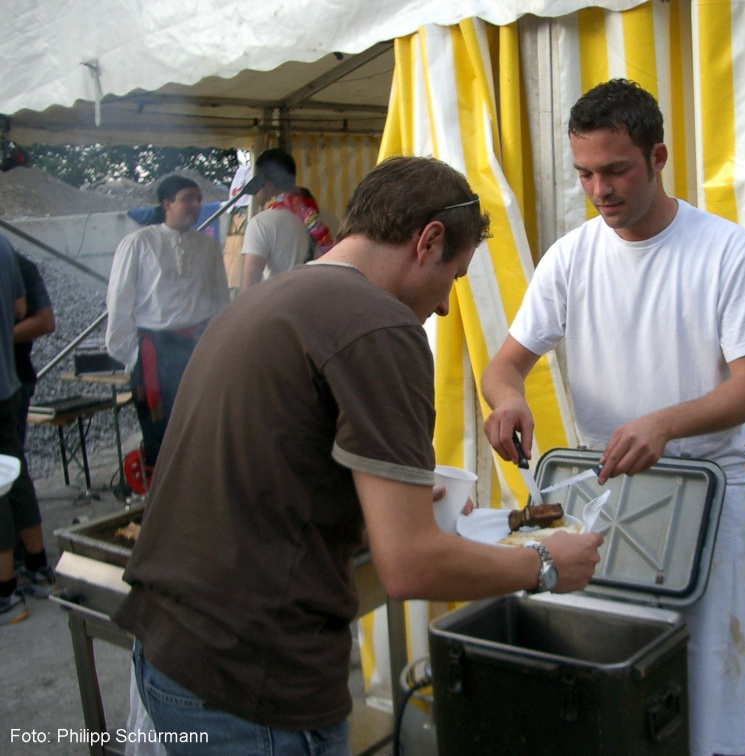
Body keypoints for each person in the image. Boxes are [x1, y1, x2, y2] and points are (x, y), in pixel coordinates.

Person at [113, 155, 604, 755]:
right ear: (428, 241)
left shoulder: (260, 301)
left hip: (168, 648)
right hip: (252, 679)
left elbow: (268, 475)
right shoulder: (379, 327)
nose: (444, 306)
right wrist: (546, 564)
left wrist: (383, 506)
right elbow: (409, 567)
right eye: (453, 277)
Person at [481, 79, 745, 756]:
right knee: (603, 667)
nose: (600, 190)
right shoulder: (571, 257)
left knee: (705, 670)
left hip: (704, 487)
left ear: (658, 157)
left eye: (616, 170)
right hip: (603, 490)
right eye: (585, 174)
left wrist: (665, 424)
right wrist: (508, 399)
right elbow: (503, 367)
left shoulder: (725, 249)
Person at [105, 175, 230, 470]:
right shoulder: (138, 243)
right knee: (160, 431)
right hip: (155, 351)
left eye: (198, 199)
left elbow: (220, 300)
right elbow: (119, 301)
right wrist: (130, 355)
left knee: (203, 424)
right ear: (167, 204)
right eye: (188, 198)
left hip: (199, 347)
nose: (196, 205)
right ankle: (162, 490)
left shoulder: (209, 246)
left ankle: (202, 485)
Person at [0, 234, 55, 624]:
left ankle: (5, 593)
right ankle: (37, 568)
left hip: (8, 380)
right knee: (13, 471)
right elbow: (19, 308)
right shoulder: (4, 246)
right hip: (8, 383)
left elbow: (39, 318)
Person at [238, 148, 332, 291]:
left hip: (280, 304)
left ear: (265, 181)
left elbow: (248, 289)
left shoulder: (260, 224)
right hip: (320, 302)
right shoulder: (326, 218)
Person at [13, 252, 55, 443]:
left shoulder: (18, 265)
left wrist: (4, 336)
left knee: (9, 453)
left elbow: (45, 321)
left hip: (14, 381)